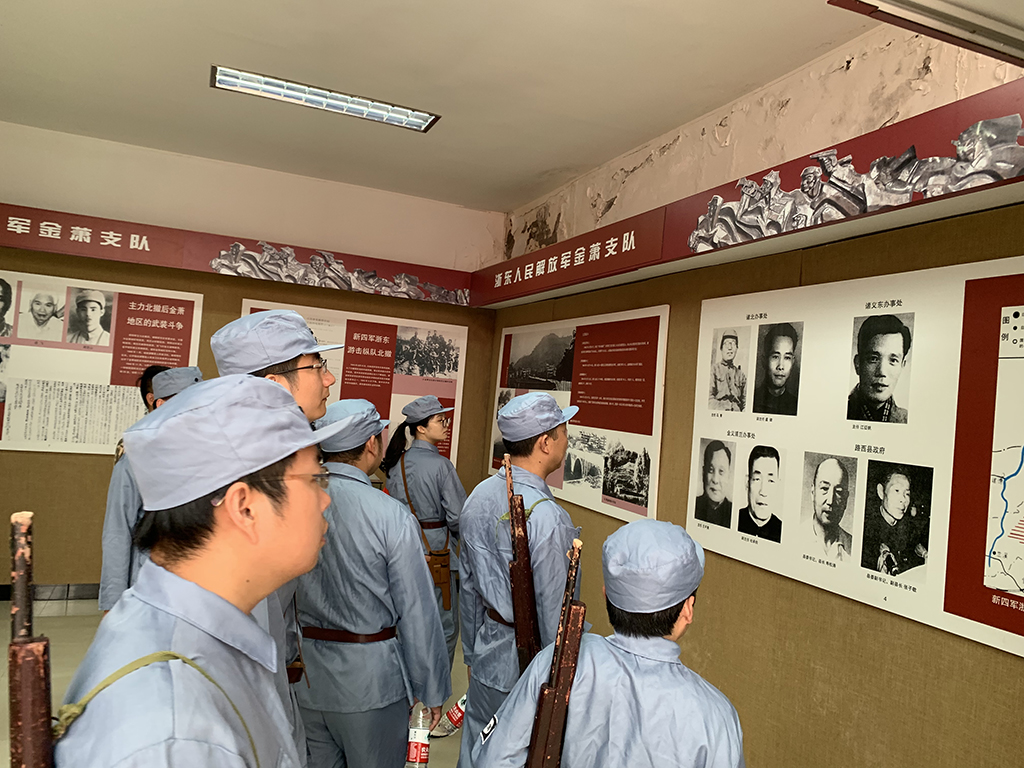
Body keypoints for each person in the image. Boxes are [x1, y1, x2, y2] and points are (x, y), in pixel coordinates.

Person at [54, 374, 348, 767]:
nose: (326, 500)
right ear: (244, 507)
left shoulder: (199, 634)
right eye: (315, 479)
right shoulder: (177, 734)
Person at [472, 519, 745, 768]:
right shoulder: (716, 717)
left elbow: (493, 760)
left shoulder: (560, 660)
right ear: (688, 609)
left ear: (606, 597)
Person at [211, 308, 343, 765]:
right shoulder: (250, 487)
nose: (328, 379)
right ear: (274, 385)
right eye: (316, 366)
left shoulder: (247, 460)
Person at [297, 399, 450, 768]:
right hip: (371, 684)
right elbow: (416, 611)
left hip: (306, 681)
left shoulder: (296, 504)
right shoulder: (389, 515)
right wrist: (431, 688)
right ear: (370, 444)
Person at [458, 392, 581, 768]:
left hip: (488, 655)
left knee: (477, 751)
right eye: (563, 431)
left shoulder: (479, 496)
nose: (566, 440)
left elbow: (469, 587)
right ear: (545, 442)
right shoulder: (548, 518)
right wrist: (558, 684)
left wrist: (472, 653)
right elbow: (555, 618)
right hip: (529, 672)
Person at [99, 366, 202, 612]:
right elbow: (117, 530)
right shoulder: (135, 459)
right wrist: (113, 603)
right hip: (152, 586)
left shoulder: (209, 455)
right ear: (160, 404)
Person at [382, 395, 466, 669]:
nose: (445, 425)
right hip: (438, 552)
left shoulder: (396, 464)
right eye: (440, 420)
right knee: (445, 625)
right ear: (421, 427)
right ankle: (436, 684)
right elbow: (458, 517)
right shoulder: (441, 466)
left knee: (407, 618)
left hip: (403, 550)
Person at [861, 465, 928, 575]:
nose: (903, 499)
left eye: (907, 494)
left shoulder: (910, 528)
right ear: (881, 492)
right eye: (897, 490)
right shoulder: (866, 527)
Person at [847, 314, 911, 423]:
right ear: (857, 364)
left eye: (893, 360)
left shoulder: (905, 418)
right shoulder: (841, 411)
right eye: (873, 359)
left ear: (902, 366)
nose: (881, 372)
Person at [805, 456, 853, 561]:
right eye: (824, 488)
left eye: (839, 492)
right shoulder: (795, 536)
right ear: (813, 493)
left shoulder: (853, 547)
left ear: (846, 499)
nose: (830, 501)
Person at [737, 445, 782, 542]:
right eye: (757, 479)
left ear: (778, 485)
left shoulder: (782, 530)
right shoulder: (734, 519)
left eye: (771, 481)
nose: (763, 492)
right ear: (747, 482)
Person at [752, 323, 799, 416]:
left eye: (787, 358)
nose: (780, 366)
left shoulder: (795, 404)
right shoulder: (752, 399)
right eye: (775, 357)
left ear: (793, 362)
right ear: (764, 360)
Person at [694, 440, 732, 528]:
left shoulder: (733, 512)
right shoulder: (694, 506)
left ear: (728, 475)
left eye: (721, 471)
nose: (715, 480)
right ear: (703, 472)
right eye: (711, 470)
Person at [709, 329, 746, 411]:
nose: (730, 348)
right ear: (721, 348)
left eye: (733, 343)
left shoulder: (741, 375)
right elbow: (708, 400)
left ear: (737, 348)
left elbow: (745, 403)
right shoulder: (714, 369)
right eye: (726, 344)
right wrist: (727, 407)